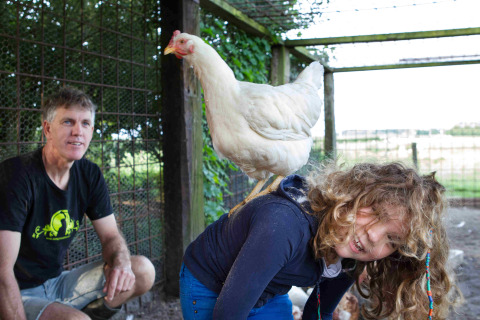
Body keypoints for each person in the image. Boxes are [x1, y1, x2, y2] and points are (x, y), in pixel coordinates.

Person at [179, 161, 462, 320]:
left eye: (392, 239)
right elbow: (227, 315)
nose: (374, 237)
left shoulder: (352, 255)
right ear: (351, 195)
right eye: (374, 212)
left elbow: (320, 311)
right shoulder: (283, 226)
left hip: (267, 287)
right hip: (210, 283)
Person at [0, 87, 156, 320]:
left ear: (92, 131)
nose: (77, 131)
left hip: (58, 282)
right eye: (67, 122)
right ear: (47, 129)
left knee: (142, 270)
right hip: (18, 292)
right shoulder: (16, 175)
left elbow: (111, 237)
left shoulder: (89, 174)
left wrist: (121, 263)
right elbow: (2, 273)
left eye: (85, 124)